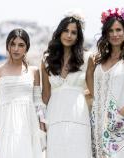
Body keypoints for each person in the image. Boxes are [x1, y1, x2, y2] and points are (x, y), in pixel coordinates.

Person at [86, 8, 124, 158]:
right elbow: (90, 80)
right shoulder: (98, 59)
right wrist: (98, 99)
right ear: (106, 34)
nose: (115, 34)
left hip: (121, 120)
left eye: (118, 30)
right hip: (98, 120)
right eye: (111, 31)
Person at [0, 28, 46, 158]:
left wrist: (41, 128)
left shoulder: (33, 71)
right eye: (13, 44)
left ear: (27, 48)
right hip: (6, 126)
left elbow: (38, 102)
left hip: (29, 125)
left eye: (21, 45)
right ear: (7, 46)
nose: (16, 49)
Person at [41, 10, 92, 158]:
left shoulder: (87, 58)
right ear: (59, 32)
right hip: (54, 117)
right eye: (65, 31)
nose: (69, 35)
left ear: (78, 37)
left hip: (79, 116)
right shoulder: (46, 59)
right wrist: (40, 120)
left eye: (73, 32)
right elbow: (45, 95)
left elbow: (94, 91)